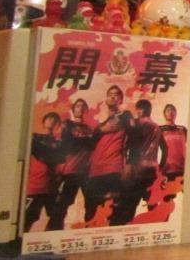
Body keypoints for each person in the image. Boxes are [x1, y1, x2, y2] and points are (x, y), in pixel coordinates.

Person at [84, 85, 132, 224]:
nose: (112, 96)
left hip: (113, 167)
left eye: (116, 94)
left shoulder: (125, 116)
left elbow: (134, 138)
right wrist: (100, 130)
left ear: (121, 99)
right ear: (106, 99)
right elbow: (90, 143)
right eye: (110, 94)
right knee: (91, 211)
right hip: (95, 169)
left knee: (113, 211)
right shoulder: (100, 123)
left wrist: (129, 163)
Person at [49, 98, 93, 230]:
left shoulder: (89, 129)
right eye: (78, 106)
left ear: (86, 110)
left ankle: (91, 229)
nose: (80, 108)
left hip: (87, 172)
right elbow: (66, 144)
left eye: (83, 106)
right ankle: (53, 231)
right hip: (71, 170)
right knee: (63, 203)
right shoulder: (67, 124)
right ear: (73, 109)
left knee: (92, 202)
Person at [119, 99, 162, 223]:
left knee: (129, 205)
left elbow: (127, 145)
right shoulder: (157, 127)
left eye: (137, 109)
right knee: (153, 205)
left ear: (141, 110)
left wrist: (126, 164)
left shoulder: (136, 124)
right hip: (152, 170)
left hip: (137, 169)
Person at [24, 112, 61, 231]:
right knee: (28, 218)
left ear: (58, 125)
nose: (52, 121)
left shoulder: (59, 143)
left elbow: (60, 160)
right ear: (43, 121)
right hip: (34, 186)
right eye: (49, 118)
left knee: (57, 218)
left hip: (52, 187)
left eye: (55, 120)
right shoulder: (34, 137)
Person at [158, 103, 187, 185]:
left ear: (176, 113)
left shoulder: (183, 129)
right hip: (167, 169)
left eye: (173, 110)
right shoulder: (160, 129)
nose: (171, 112)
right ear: (164, 114)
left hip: (183, 168)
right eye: (168, 110)